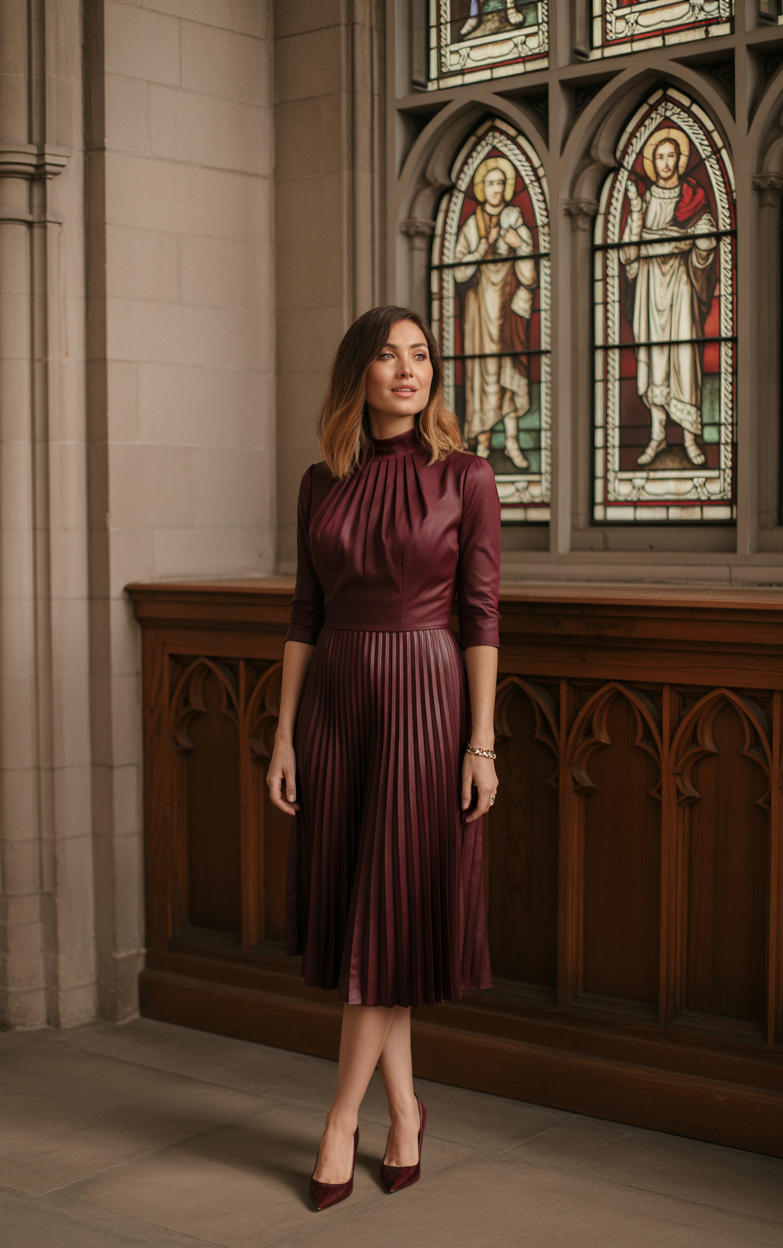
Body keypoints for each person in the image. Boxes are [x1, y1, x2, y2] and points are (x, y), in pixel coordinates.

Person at [266, 306, 501, 1211]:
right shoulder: (320, 484)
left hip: (424, 707)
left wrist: (481, 744)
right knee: (378, 924)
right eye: (388, 356)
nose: (408, 370)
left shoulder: (464, 476)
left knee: (382, 916)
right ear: (357, 374)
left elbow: (480, 618)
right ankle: (405, 1110)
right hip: (336, 710)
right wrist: (284, 733)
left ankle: (338, 1120)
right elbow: (303, 615)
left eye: (422, 355)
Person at [620, 129, 718, 468]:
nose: (665, 162)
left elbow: (705, 241)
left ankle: (690, 437)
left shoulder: (693, 196)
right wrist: (636, 215)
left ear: (680, 159)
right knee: (654, 359)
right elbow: (627, 255)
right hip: (649, 290)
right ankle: (657, 435)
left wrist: (693, 243)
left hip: (679, 286)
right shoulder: (644, 201)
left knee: (683, 360)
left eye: (671, 155)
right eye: (659, 156)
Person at [453, 157, 537, 468]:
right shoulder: (471, 227)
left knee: (509, 373)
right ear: (481, 189)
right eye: (490, 183)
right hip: (478, 313)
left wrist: (520, 246)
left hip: (509, 310)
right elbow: (460, 273)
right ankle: (483, 444)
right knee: (483, 377)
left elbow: (531, 276)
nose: (496, 188)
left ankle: (513, 443)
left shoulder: (516, 224)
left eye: (501, 183)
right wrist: (484, 245)